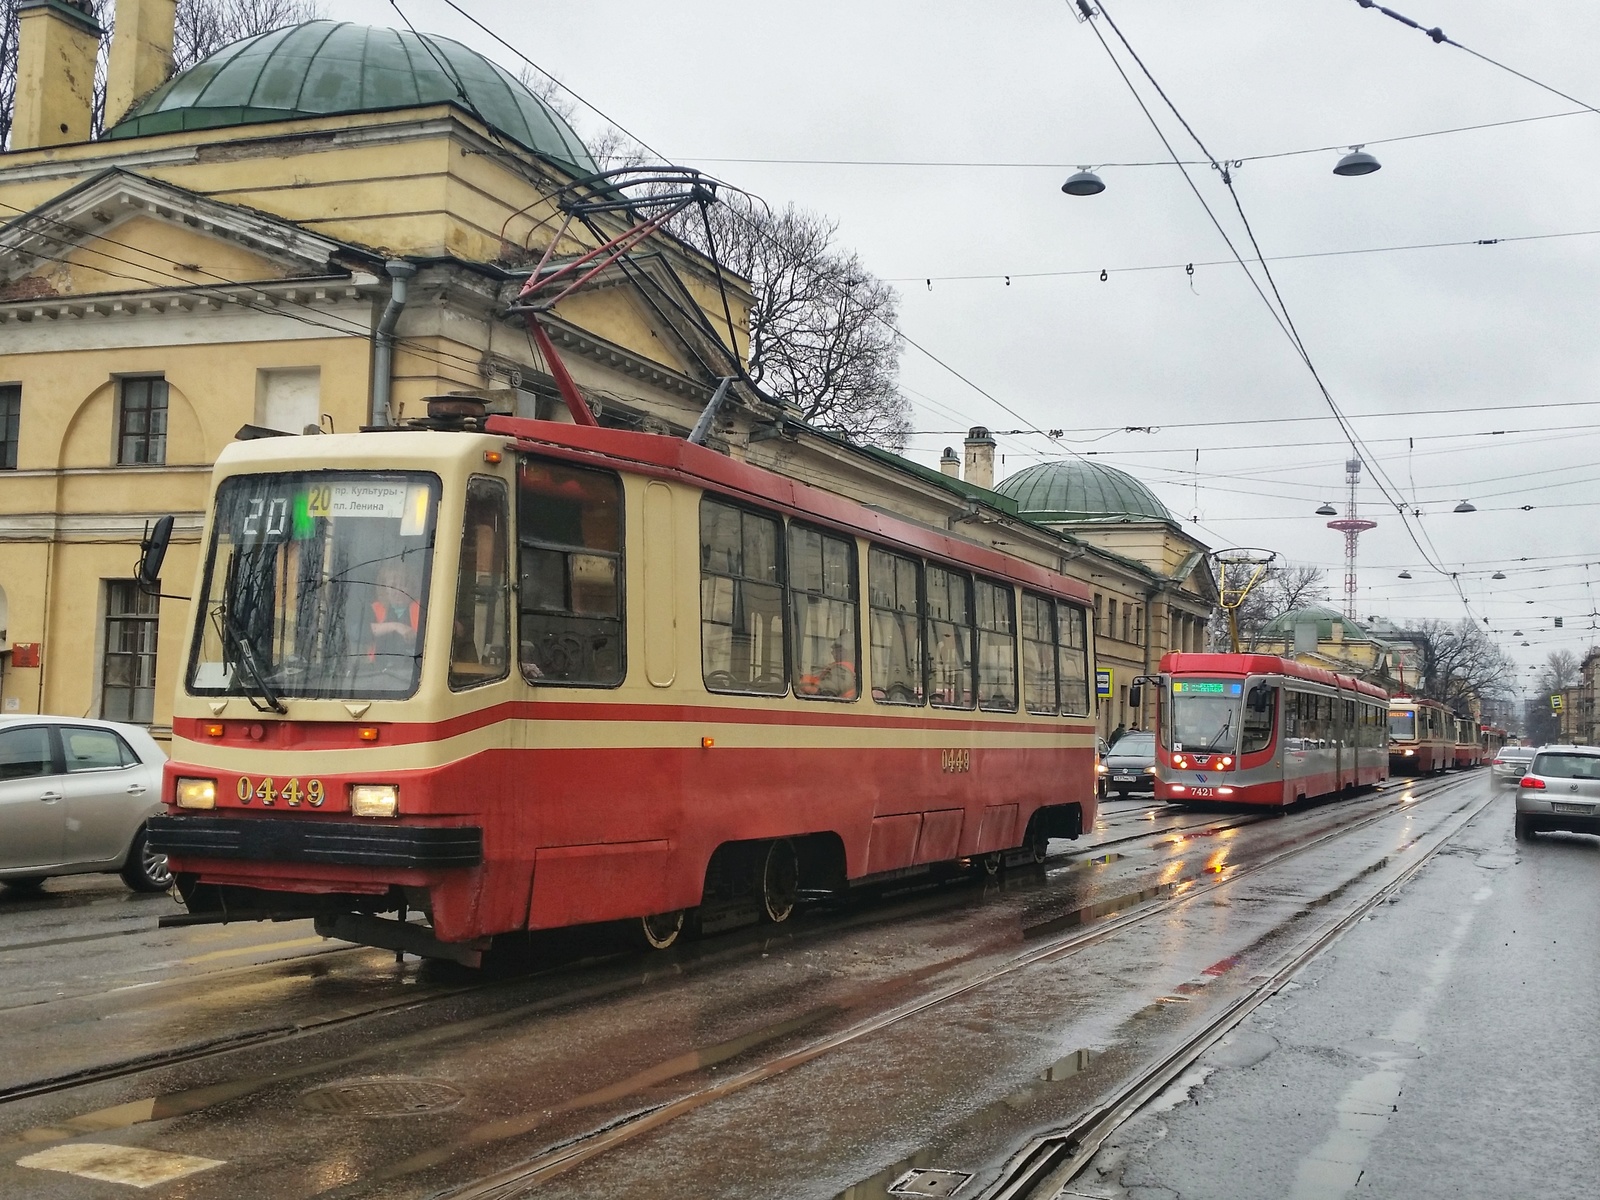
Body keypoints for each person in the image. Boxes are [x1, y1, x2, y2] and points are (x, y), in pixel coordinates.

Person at [369, 558, 420, 664]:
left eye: (403, 585)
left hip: (412, 669)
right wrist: (395, 626)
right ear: (384, 589)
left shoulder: (423, 608)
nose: (398, 590)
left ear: (412, 587)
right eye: (392, 585)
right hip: (376, 671)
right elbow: (361, 631)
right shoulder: (375, 609)